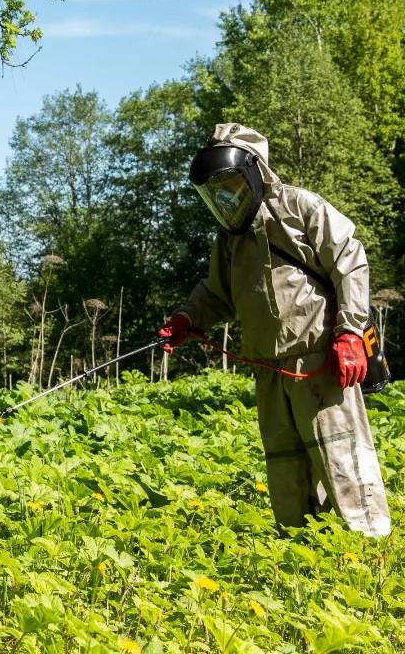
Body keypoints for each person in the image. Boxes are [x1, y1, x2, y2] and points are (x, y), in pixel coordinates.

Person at [160, 123, 391, 538]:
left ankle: (369, 550)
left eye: (229, 185)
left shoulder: (300, 208)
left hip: (320, 361)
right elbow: (217, 294)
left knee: (341, 458)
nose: (225, 197)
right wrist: (185, 319)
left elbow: (350, 259)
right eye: (215, 192)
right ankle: (301, 550)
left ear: (253, 172)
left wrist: (351, 333)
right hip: (269, 369)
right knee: (286, 468)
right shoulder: (230, 240)